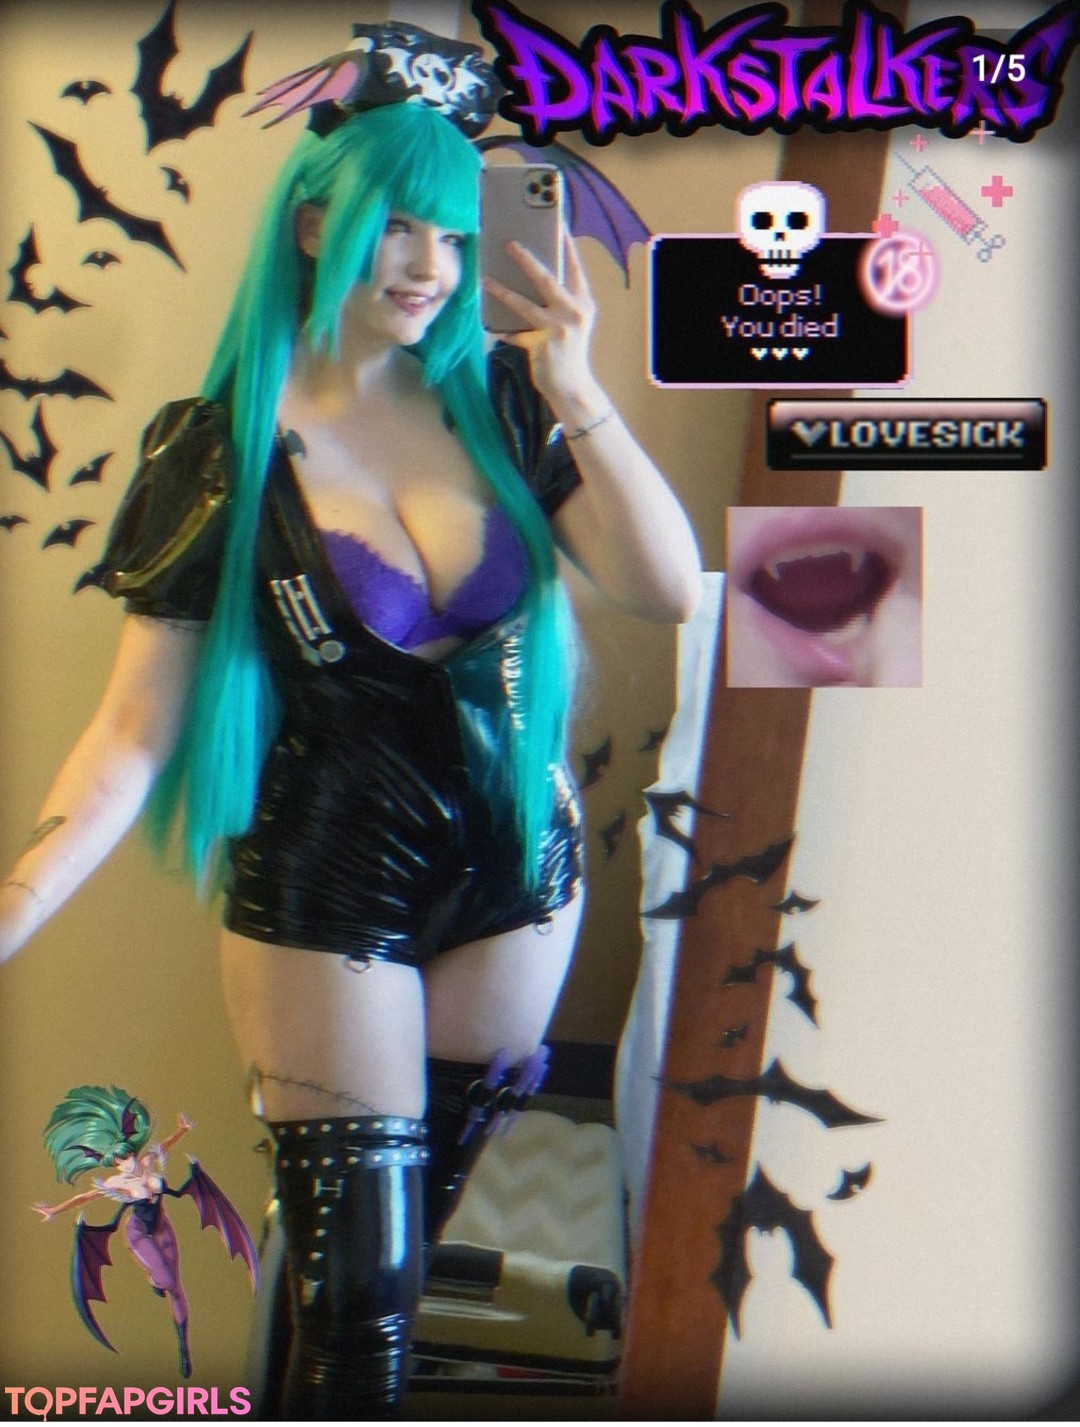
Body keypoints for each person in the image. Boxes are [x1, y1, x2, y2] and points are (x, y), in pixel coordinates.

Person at [0, 22, 701, 1419]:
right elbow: (135, 731)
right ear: (317, 225)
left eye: (454, 234)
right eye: (397, 227)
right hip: (331, 889)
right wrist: (16, 902)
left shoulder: (509, 407)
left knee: (382, 1281)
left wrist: (577, 390)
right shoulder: (222, 448)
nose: (429, 265)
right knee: (358, 1310)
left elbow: (666, 589)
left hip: (525, 878)